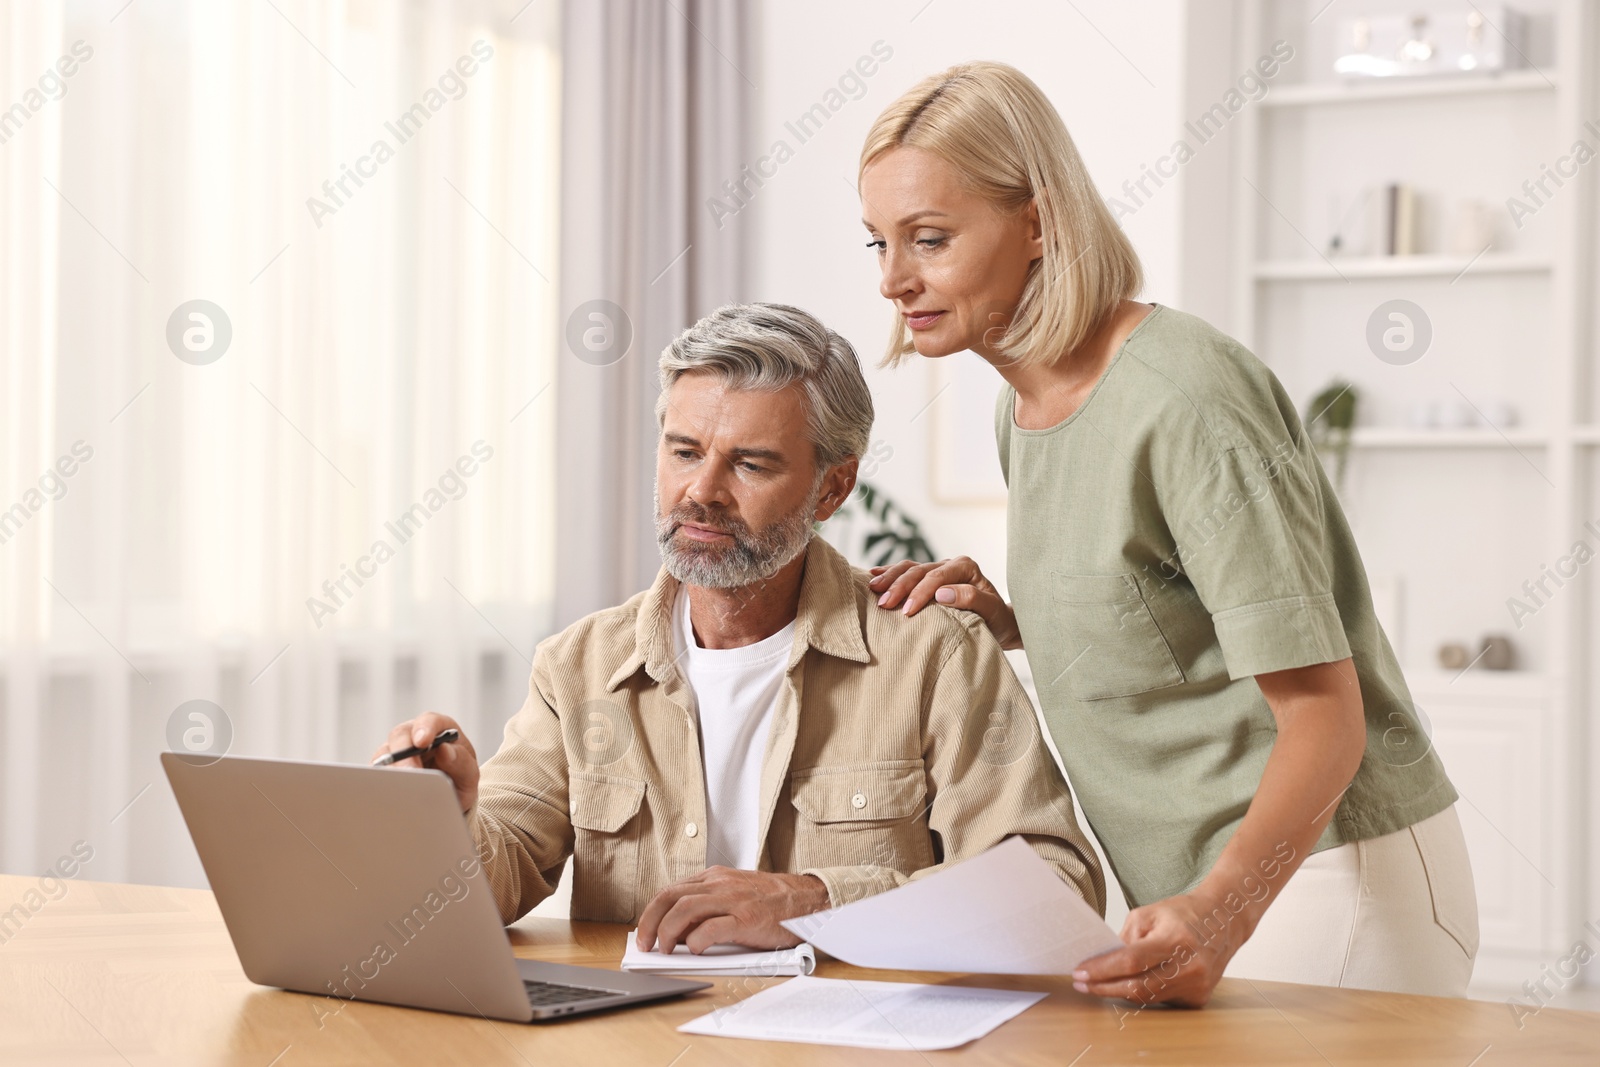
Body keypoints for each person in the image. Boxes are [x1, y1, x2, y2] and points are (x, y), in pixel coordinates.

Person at [857, 62, 1477, 1004]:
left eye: (930, 240)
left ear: (1038, 221)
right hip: (1191, 889)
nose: (896, 279)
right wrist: (1013, 620)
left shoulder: (1186, 394)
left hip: (1327, 879)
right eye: (879, 244)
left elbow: (1325, 712)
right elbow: (1176, 617)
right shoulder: (1021, 410)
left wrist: (1221, 910)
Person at [374, 302, 1104, 955]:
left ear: (833, 487)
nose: (700, 492)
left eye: (750, 464)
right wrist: (450, 817)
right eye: (684, 451)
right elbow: (490, 882)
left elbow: (1055, 890)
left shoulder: (934, 652)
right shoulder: (580, 666)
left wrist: (813, 902)